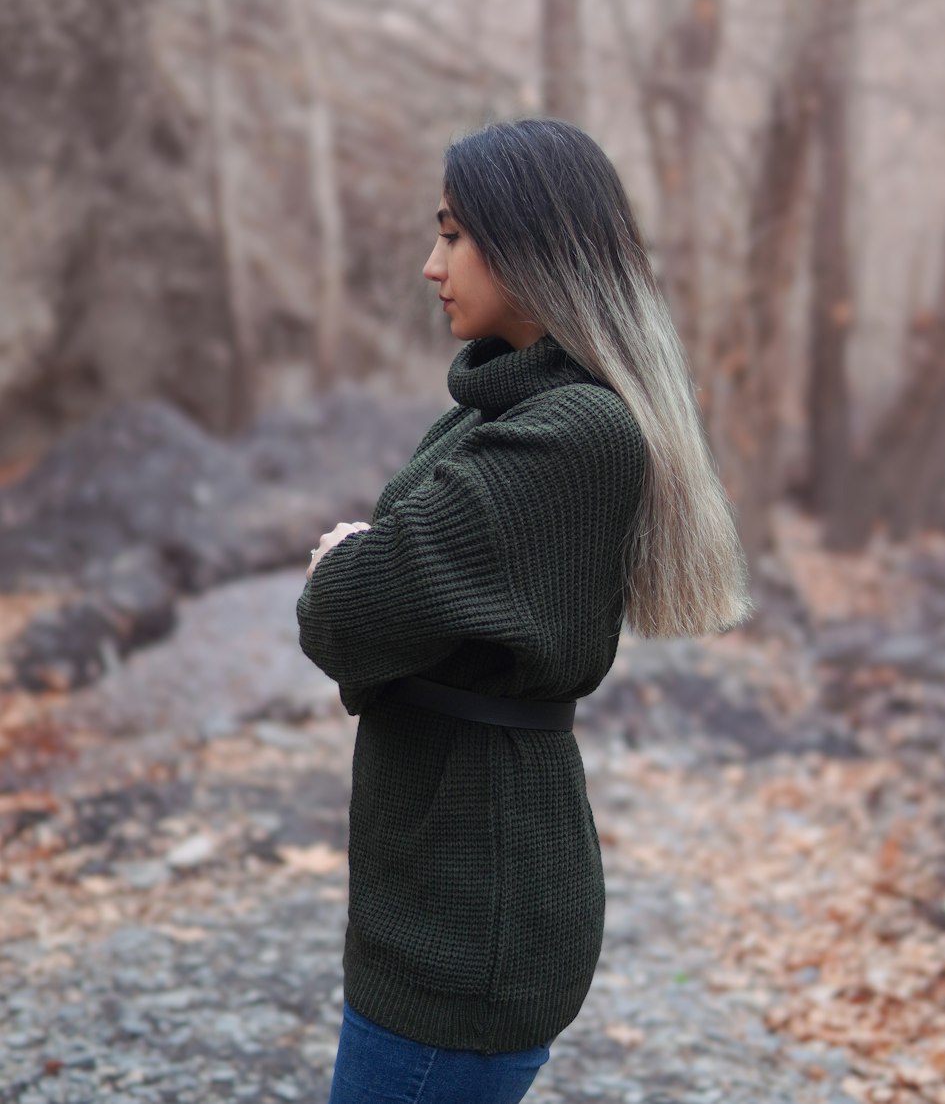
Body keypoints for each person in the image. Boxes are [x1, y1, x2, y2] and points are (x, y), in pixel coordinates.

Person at [296, 117, 752, 1104]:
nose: (431, 263)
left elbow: (349, 614)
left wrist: (348, 566)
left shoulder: (572, 432)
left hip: (470, 914)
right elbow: (383, 600)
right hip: (436, 879)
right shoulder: (490, 411)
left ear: (533, 241)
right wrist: (365, 576)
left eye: (454, 233)